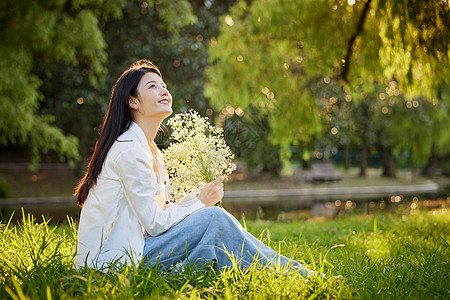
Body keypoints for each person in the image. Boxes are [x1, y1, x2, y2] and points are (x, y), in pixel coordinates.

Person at [74, 59, 311, 276]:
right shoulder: (129, 150)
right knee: (214, 218)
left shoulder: (152, 152)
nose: (163, 90)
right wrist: (201, 204)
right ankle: (298, 274)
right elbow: (155, 225)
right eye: (152, 86)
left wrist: (193, 198)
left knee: (211, 248)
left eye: (163, 85)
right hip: (112, 262)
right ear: (133, 101)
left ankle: (282, 273)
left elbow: (158, 213)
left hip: (136, 249)